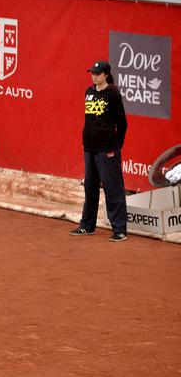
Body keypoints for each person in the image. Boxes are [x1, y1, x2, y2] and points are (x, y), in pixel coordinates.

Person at [70, 60, 128, 242]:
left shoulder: (113, 95)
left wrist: (116, 145)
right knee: (90, 187)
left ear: (106, 75)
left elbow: (123, 123)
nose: (94, 76)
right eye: (92, 73)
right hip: (89, 149)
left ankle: (119, 229)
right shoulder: (89, 92)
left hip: (107, 149)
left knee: (113, 188)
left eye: (97, 73)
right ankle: (87, 225)